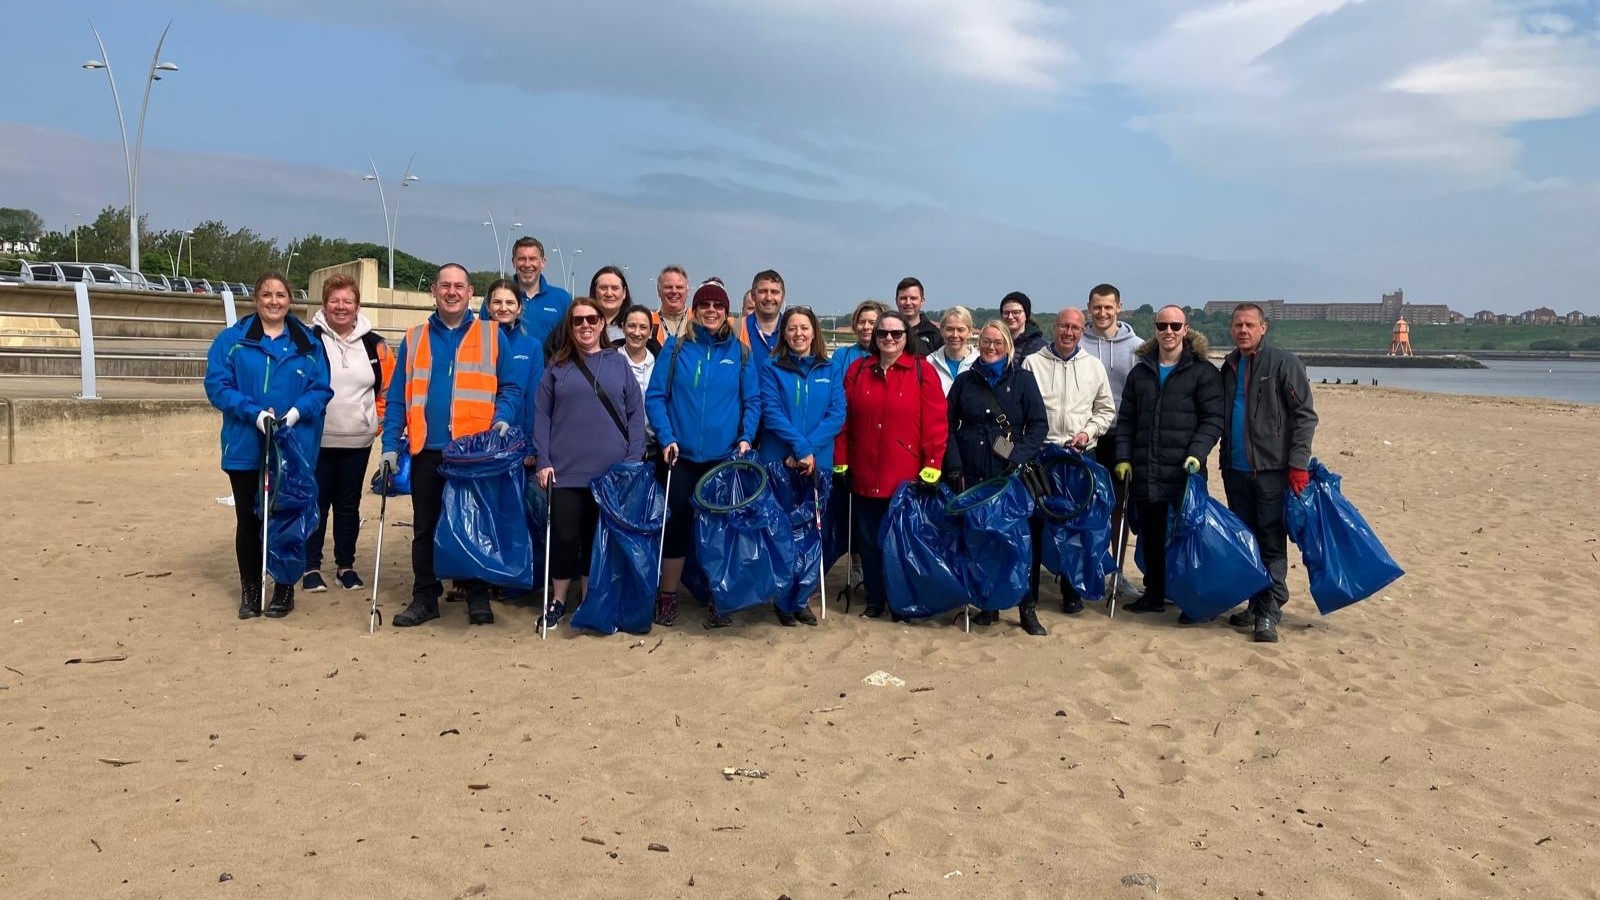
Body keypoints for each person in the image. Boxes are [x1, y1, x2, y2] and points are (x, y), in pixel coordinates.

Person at [380, 264, 524, 628]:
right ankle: (425, 595)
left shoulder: (493, 335)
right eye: (445, 285)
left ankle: (477, 595)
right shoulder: (414, 338)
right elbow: (397, 396)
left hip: (474, 453)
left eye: (459, 285)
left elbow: (510, 387)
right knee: (425, 527)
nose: (452, 292)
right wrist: (389, 445)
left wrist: (502, 418)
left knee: (473, 524)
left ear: (470, 290)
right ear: (434, 290)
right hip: (427, 449)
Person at [204, 270, 333, 620]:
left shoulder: (308, 343)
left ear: (290, 300)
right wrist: (254, 413)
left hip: (290, 448)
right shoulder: (232, 340)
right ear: (256, 299)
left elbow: (321, 390)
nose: (273, 301)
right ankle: (251, 588)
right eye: (266, 295)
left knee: (286, 518)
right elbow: (218, 385)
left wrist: (294, 413)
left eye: (280, 295)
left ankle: (284, 588)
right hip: (246, 444)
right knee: (248, 517)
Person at [645, 281, 760, 629]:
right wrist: (666, 437)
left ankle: (717, 597)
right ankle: (668, 597)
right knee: (676, 526)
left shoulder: (740, 353)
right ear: (695, 310)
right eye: (705, 305)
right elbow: (655, 398)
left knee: (718, 532)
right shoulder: (678, 348)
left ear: (727, 313)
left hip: (722, 458)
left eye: (718, 306)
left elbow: (751, 402)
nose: (712, 310)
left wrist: (745, 438)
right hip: (680, 457)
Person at [534, 299, 648, 627]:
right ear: (570, 327)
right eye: (578, 321)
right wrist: (543, 459)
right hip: (566, 470)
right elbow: (541, 416)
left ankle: (589, 599)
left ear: (602, 324)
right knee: (565, 537)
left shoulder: (619, 363)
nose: (585, 326)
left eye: (592, 319)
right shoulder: (557, 366)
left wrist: (631, 460)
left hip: (611, 474)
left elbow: (635, 415)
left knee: (596, 539)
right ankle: (557, 600)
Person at [833, 311, 947, 620]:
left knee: (900, 542)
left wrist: (933, 464)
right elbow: (842, 420)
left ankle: (900, 600)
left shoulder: (922, 371)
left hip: (905, 475)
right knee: (869, 543)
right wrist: (841, 461)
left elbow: (936, 424)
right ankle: (874, 599)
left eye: (896, 334)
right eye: (882, 333)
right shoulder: (858, 370)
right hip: (864, 470)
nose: (889, 339)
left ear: (905, 337)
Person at [1112, 306, 1223, 616]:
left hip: (1184, 470)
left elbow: (1213, 419)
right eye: (1163, 325)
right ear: (1155, 328)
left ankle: (1189, 596)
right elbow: (1127, 420)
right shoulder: (1141, 372)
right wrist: (1123, 457)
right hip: (1146, 468)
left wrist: (1197, 454)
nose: (1169, 331)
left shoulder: (1202, 372)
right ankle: (1155, 593)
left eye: (1175, 325)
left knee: (1187, 536)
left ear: (1185, 329)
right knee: (1151, 535)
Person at [1219, 302, 1318, 643]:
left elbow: (1305, 415)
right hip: (1235, 470)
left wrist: (1298, 464)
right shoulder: (1229, 365)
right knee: (1247, 540)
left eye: (1249, 324)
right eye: (1237, 325)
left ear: (1263, 328)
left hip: (1273, 471)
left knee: (1271, 541)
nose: (1243, 330)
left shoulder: (1284, 364)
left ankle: (1270, 611)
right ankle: (1255, 602)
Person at [945, 321, 1049, 634]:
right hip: (974, 473)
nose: (991, 347)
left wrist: (1017, 457)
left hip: (1010, 476)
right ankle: (988, 606)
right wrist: (955, 466)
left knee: (1018, 543)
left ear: (1008, 346)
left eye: (998, 343)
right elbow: (947, 426)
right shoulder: (964, 382)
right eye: (987, 342)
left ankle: (1026, 607)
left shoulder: (1023, 381)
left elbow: (1038, 426)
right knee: (982, 541)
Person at [304, 273, 394, 594]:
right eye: (334, 300)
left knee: (348, 505)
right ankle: (311, 566)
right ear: (324, 304)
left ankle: (346, 566)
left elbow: (387, 389)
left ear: (357, 305)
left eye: (347, 301)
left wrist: (376, 423)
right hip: (316, 441)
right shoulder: (308, 340)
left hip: (358, 441)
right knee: (315, 503)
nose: (340, 307)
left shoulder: (375, 345)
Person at [757, 307, 847, 626]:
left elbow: (837, 413)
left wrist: (809, 450)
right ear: (784, 333)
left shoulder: (830, 368)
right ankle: (782, 598)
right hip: (780, 460)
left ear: (814, 332)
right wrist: (799, 447)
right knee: (783, 532)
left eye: (804, 327)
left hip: (817, 462)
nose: (798, 333)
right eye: (792, 328)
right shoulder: (771, 368)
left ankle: (802, 597)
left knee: (812, 532)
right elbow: (772, 412)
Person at [1022, 307, 1116, 613]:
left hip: (1078, 456)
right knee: (1036, 525)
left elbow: (1105, 410)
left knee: (1076, 526)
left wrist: (1088, 433)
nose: (1068, 332)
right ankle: (1030, 591)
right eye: (1064, 326)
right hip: (1041, 456)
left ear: (1082, 330)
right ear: (1054, 327)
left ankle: (1071, 591)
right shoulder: (1032, 363)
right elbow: (1022, 411)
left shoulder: (1093, 366)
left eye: (1075, 328)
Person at [1081, 283, 1142, 587]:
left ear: (1119, 307)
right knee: (1090, 506)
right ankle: (1091, 567)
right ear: (1089, 308)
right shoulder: (1077, 342)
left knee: (1119, 507)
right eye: (1097, 307)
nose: (1102, 313)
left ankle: (1117, 573)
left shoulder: (1138, 347)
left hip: (1122, 435)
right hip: (1088, 436)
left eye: (1108, 307)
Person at [508, 236, 573, 346]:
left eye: (533, 259)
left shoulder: (562, 299)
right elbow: (485, 343)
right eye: (521, 259)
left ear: (543, 262)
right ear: (514, 262)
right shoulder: (496, 299)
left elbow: (572, 341)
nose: (527, 264)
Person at [620, 304, 660, 456]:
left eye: (643, 327)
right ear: (623, 327)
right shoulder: (609, 362)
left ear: (650, 332)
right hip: (619, 449)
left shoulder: (660, 364)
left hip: (654, 450)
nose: (637, 333)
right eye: (631, 326)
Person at [736, 269, 785, 367]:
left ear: (783, 297)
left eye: (774, 292)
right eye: (763, 291)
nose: (769, 298)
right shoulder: (736, 330)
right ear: (753, 296)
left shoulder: (796, 333)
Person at [931, 306, 978, 395]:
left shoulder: (980, 362)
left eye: (960, 330)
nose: (955, 335)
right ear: (941, 330)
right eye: (949, 329)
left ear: (970, 332)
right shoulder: (930, 362)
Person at [832, 300, 885, 378]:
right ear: (855, 325)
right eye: (862, 322)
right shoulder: (841, 356)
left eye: (872, 322)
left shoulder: (888, 356)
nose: (866, 327)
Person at [895, 277, 943, 356]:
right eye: (903, 298)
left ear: (922, 301)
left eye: (913, 298)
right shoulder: (886, 334)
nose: (908, 303)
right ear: (896, 301)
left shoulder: (935, 334)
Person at [590, 266, 632, 348]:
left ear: (624, 293)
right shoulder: (581, 325)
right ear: (594, 292)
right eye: (603, 288)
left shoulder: (635, 328)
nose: (609, 294)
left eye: (615, 288)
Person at [650, 265, 691, 345]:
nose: (674, 291)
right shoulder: (648, 322)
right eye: (668, 287)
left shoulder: (698, 320)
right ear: (659, 291)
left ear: (687, 292)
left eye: (679, 287)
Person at [1001, 291, 1047, 360]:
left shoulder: (1039, 347)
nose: (1010, 317)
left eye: (1016, 312)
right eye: (1006, 313)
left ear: (1026, 315)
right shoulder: (995, 343)